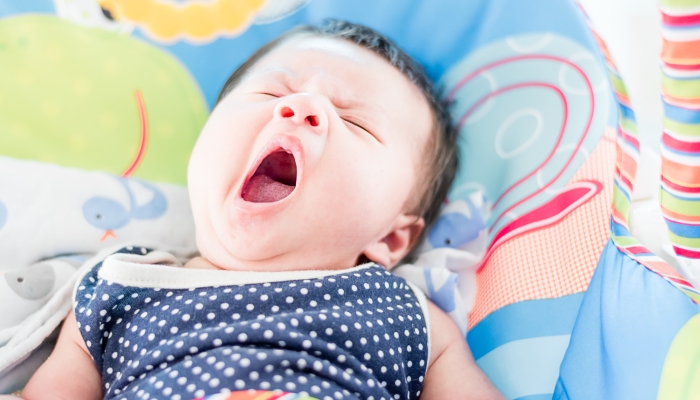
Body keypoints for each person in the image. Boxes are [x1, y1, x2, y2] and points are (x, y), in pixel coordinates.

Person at [8, 20, 504, 400]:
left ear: (392, 239)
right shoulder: (121, 281)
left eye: (356, 124)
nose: (301, 107)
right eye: (272, 91)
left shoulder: (405, 312)